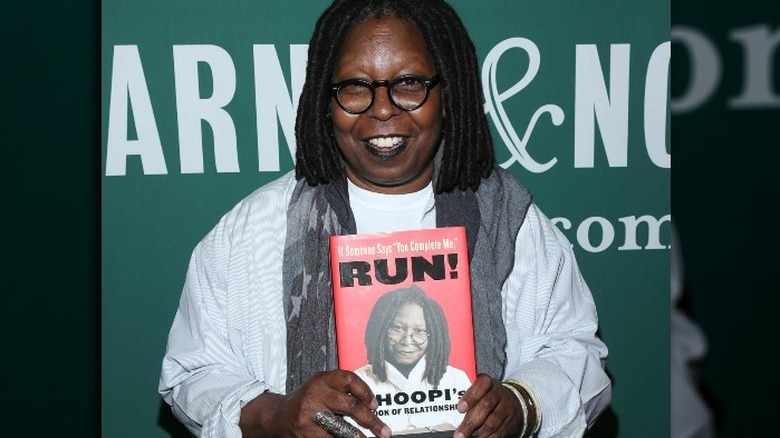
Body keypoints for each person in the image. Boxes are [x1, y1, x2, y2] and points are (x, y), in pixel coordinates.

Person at [158, 1, 612, 437]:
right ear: (326, 101)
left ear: (446, 92)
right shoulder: (255, 229)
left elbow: (576, 354)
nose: (382, 109)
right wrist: (272, 415)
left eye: (409, 82)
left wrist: (522, 404)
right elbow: (193, 372)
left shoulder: (510, 222)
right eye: (355, 87)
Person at [353, 285, 472, 433]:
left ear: (434, 336)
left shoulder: (456, 379)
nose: (407, 341)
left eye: (420, 331)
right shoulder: (359, 380)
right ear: (380, 330)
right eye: (397, 328)